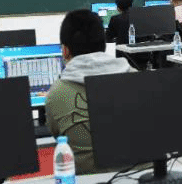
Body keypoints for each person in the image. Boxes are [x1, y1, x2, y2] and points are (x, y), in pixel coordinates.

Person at [46, 10, 134, 174]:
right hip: (143, 177)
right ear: (104, 45)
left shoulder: (57, 94)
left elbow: (59, 137)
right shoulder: (136, 77)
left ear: (65, 50)